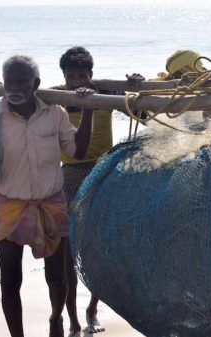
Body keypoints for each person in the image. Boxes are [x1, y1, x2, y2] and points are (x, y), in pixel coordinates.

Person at [0, 55, 93, 337]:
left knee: (57, 277)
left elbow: (78, 152)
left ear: (35, 83)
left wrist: (88, 109)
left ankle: (55, 318)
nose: (15, 87)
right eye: (10, 81)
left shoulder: (55, 113)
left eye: (22, 81)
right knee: (10, 277)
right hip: (8, 204)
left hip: (50, 201)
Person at [54, 46, 143, 336]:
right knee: (67, 250)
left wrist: (134, 87)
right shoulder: (57, 96)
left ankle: (92, 308)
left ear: (92, 75)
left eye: (82, 75)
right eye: (71, 76)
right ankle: (72, 318)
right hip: (69, 174)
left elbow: (141, 112)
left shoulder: (105, 94)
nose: (77, 81)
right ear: (64, 77)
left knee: (100, 246)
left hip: (103, 171)